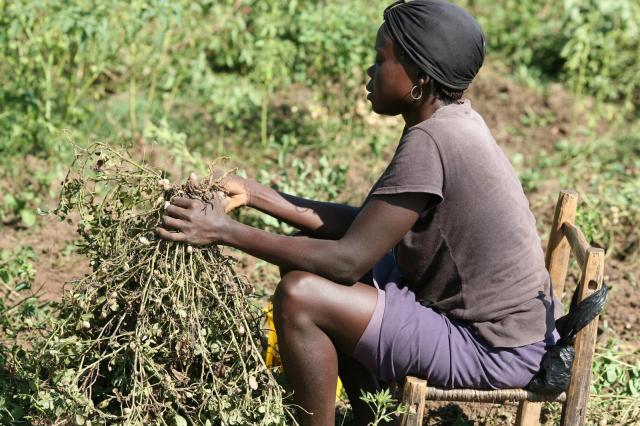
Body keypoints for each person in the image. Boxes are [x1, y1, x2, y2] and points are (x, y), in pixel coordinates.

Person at [156, 1, 558, 424]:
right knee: (305, 258)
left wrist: (224, 231)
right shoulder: (454, 123)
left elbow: (348, 262)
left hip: (494, 349)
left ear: (420, 78)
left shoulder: (432, 142)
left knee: (300, 296)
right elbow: (367, 228)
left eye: (381, 60)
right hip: (511, 334)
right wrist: (258, 196)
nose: (369, 71)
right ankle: (374, 416)